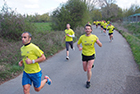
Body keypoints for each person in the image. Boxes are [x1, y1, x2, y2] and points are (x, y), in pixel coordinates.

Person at [77, 24, 102, 88]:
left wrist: (98, 42)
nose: (87, 30)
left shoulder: (94, 37)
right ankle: (91, 65)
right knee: (85, 69)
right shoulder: (82, 37)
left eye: (89, 29)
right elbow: (78, 44)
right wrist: (79, 47)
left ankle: (88, 81)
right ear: (85, 30)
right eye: (86, 29)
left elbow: (100, 45)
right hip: (84, 55)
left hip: (91, 54)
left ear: (91, 30)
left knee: (88, 69)